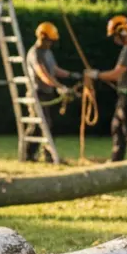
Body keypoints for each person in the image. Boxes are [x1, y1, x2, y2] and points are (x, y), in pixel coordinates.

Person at [84, 15, 127, 161]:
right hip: (126, 96)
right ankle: (116, 161)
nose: (114, 39)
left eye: (115, 35)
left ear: (121, 32)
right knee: (117, 127)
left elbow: (116, 74)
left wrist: (96, 75)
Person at [23, 22, 75, 162]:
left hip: (47, 94)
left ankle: (47, 155)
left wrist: (72, 75)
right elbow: (43, 74)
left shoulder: (48, 52)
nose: (50, 44)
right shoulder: (35, 53)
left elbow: (55, 70)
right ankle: (28, 155)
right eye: (49, 41)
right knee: (38, 125)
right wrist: (60, 87)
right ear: (42, 37)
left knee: (48, 125)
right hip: (37, 94)